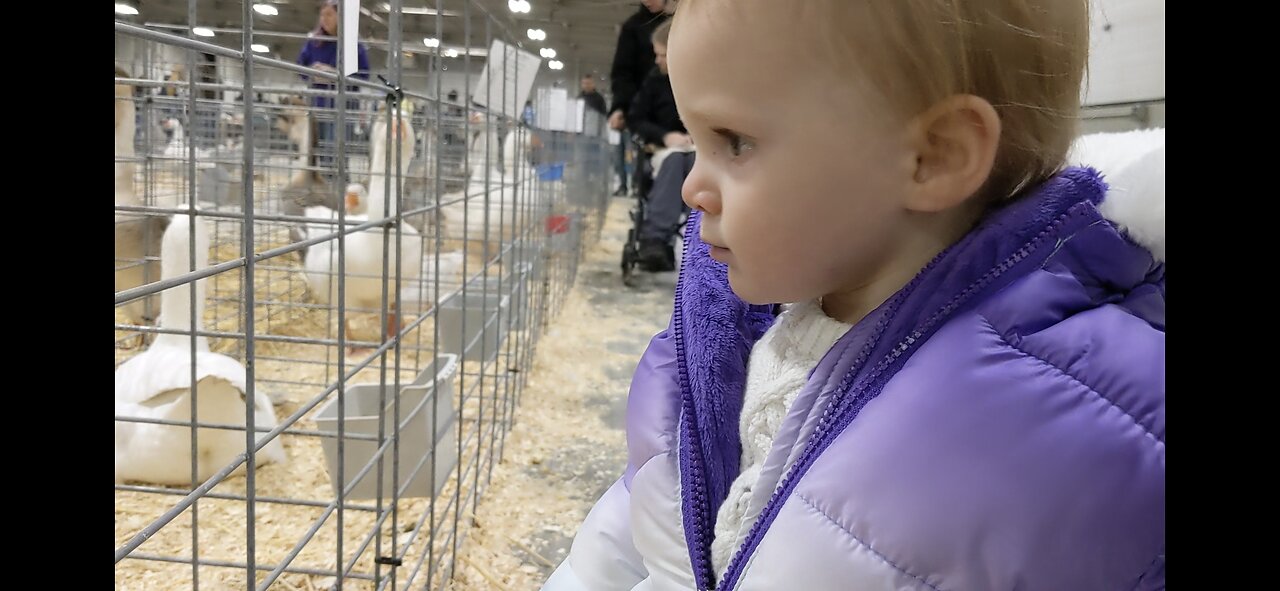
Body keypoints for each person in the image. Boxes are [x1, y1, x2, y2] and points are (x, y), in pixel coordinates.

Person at [543, 0, 1165, 589]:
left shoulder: (1067, 440)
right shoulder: (731, 340)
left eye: (734, 141)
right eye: (695, 140)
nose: (692, 188)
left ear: (932, 156)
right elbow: (632, 535)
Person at [627, 20, 691, 272]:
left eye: (662, 55)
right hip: (663, 151)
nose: (657, 61)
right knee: (676, 160)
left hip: (700, 151)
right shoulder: (653, 82)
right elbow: (636, 119)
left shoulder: (701, 81)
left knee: (695, 163)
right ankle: (654, 239)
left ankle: (706, 238)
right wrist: (665, 137)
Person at [296, 0, 371, 176]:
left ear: (340, 17)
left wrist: (335, 74)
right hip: (318, 105)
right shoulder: (314, 42)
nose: (324, 19)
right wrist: (311, 72)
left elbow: (363, 75)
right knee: (317, 152)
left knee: (335, 154)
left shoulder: (352, 44)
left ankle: (338, 192)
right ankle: (324, 191)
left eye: (329, 15)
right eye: (322, 15)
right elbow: (300, 68)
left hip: (342, 108)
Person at [608, 0, 670, 195]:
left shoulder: (687, 23)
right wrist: (621, 106)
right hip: (644, 112)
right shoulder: (633, 27)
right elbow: (622, 73)